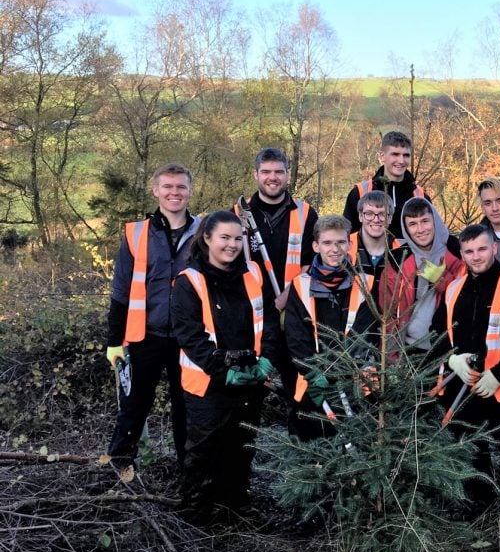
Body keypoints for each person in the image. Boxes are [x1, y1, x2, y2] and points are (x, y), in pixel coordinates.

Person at [170, 210, 281, 521]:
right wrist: (224, 372)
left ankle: (237, 507)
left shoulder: (253, 275)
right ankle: (197, 513)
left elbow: (269, 321)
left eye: (237, 238)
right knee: (203, 452)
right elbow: (190, 338)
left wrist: (267, 359)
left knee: (241, 447)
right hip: (208, 385)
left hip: (251, 379)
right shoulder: (189, 282)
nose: (231, 245)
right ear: (207, 238)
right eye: (224, 238)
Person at [105, 163, 202, 470]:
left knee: (186, 409)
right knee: (133, 406)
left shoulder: (204, 232)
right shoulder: (136, 234)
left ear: (190, 190)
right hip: (144, 336)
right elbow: (121, 291)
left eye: (181, 187)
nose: (175, 193)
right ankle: (119, 469)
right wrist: (114, 341)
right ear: (156, 190)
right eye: (168, 187)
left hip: (189, 340)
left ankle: (187, 473)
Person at [430, 224, 500, 506]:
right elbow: (438, 333)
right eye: (469, 251)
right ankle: (477, 507)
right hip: (464, 385)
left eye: (482, 249)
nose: (476, 256)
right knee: (469, 448)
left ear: (494, 248)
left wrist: (499, 373)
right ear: (461, 254)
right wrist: (451, 359)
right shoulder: (454, 289)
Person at [235, 147, 318, 402]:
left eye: (279, 172)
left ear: (287, 174)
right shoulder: (239, 214)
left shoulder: (305, 213)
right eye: (267, 172)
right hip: (253, 316)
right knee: (251, 388)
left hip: (292, 314)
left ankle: (297, 438)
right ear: (255, 175)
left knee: (298, 386)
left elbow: (311, 262)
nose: (273, 177)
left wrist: (287, 297)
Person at [284, 215, 355, 441]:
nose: (334, 249)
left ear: (350, 244)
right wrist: (313, 372)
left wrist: (344, 373)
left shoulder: (365, 283)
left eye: (340, 242)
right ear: (316, 246)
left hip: (353, 384)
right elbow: (296, 336)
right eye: (327, 243)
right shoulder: (301, 285)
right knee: (311, 444)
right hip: (312, 384)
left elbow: (366, 334)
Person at [381, 198, 463, 353]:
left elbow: (467, 297)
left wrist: (441, 279)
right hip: (411, 350)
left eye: (425, 221)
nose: (420, 229)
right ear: (406, 228)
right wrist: (392, 360)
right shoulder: (397, 261)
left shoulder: (457, 252)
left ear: (435, 221)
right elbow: (388, 316)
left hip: (450, 349)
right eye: (412, 224)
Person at [346, 190, 404, 357]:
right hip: (348, 338)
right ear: (360, 216)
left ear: (390, 218)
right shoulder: (346, 248)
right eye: (369, 213)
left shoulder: (402, 252)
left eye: (382, 214)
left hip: (390, 338)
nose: (376, 219)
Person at [343, 131, 429, 239]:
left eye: (406, 155)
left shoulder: (420, 196)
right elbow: (347, 236)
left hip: (408, 255)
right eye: (395, 154)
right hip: (366, 255)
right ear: (382, 156)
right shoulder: (361, 193)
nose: (401, 160)